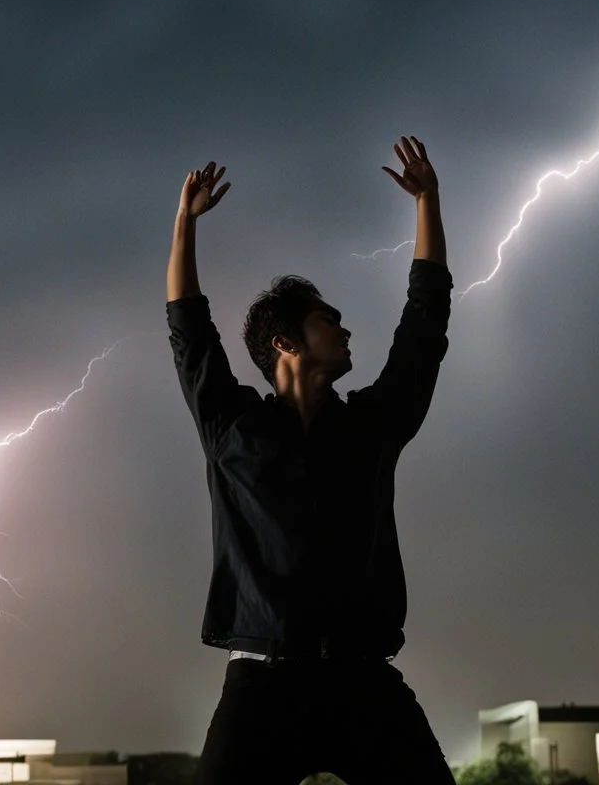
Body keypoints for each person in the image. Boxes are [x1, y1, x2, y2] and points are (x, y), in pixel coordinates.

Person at [165, 137, 455, 784]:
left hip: (363, 685)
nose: (347, 330)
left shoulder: (372, 428)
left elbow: (424, 329)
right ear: (285, 341)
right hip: (262, 688)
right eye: (331, 320)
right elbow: (189, 330)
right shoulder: (231, 426)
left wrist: (428, 203)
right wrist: (184, 224)